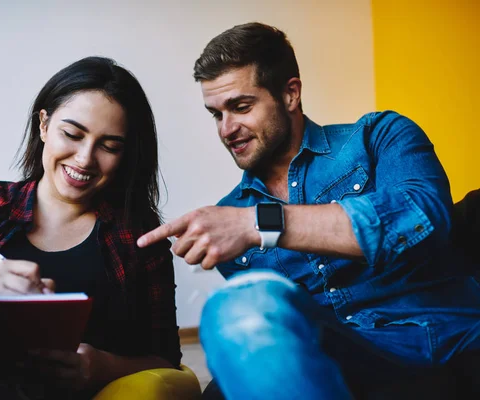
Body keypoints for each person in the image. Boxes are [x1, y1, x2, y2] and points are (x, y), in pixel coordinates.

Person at [137, 22, 480, 399]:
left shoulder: (379, 136)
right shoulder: (228, 218)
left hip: (445, 339)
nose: (226, 129)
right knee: (236, 308)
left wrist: (259, 224)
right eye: (216, 114)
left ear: (290, 94)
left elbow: (421, 216)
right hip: (341, 361)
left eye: (240, 106)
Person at [0, 56, 181, 399]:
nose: (84, 159)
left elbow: (167, 359)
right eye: (72, 134)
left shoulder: (138, 238)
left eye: (109, 146)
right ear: (43, 124)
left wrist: (99, 367)